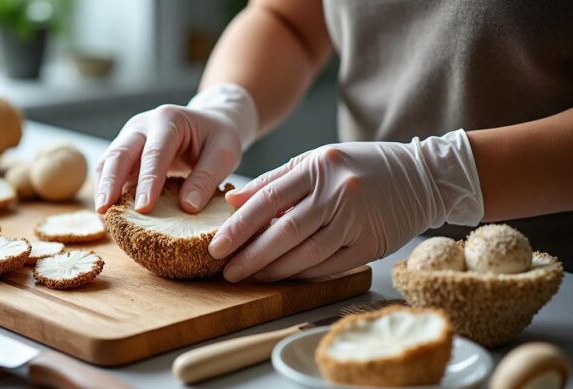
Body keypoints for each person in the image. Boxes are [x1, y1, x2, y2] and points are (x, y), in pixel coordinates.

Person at [94, 0, 573, 282]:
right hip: (371, 263)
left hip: (551, 281)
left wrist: (436, 179)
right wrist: (224, 104)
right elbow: (288, 19)